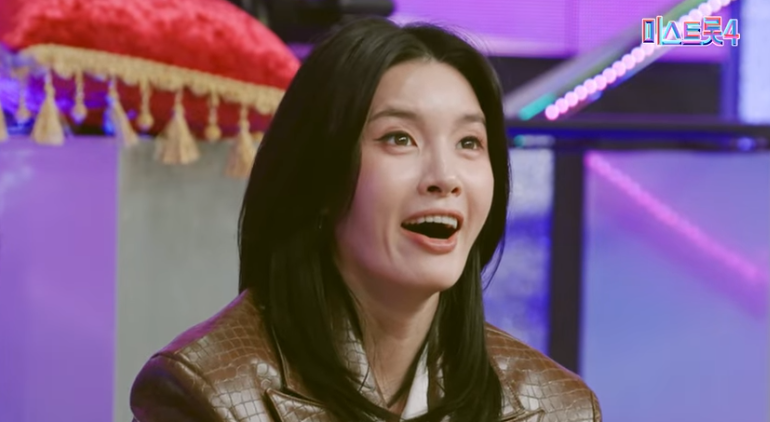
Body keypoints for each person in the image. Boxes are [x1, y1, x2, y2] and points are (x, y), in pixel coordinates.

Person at [130, 17, 601, 422]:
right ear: (320, 177)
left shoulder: (560, 407)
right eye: (399, 138)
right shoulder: (207, 391)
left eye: (469, 143)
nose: (445, 177)